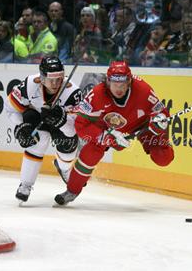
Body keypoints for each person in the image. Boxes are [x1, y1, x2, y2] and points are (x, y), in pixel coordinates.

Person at [54, 61, 174, 205]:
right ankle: (72, 190)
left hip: (141, 125)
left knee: (163, 157)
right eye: (115, 83)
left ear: (129, 81)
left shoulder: (143, 89)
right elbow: (80, 125)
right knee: (91, 152)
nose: (119, 88)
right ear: (108, 81)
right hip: (107, 129)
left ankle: (163, 147)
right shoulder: (96, 94)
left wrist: (159, 122)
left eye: (123, 84)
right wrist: (106, 137)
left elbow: (162, 113)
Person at [5, 56, 82, 203]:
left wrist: (61, 119)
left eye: (59, 79)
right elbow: (10, 108)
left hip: (63, 126)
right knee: (36, 140)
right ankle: (26, 184)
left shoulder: (73, 92)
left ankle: (64, 168)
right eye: (50, 79)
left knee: (67, 142)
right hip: (38, 118)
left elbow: (74, 130)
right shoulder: (29, 85)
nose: (55, 84)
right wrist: (19, 126)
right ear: (41, 78)